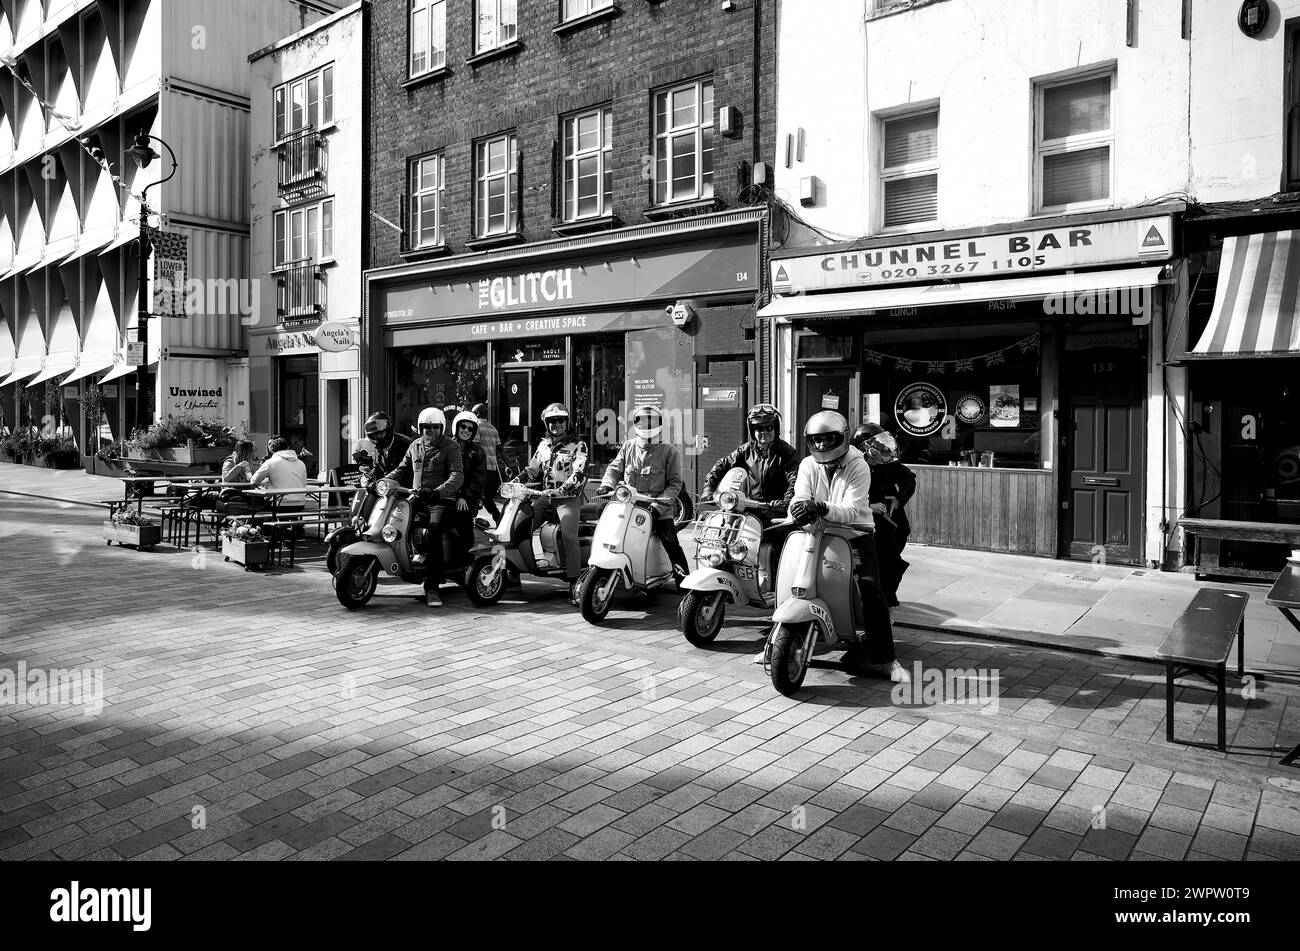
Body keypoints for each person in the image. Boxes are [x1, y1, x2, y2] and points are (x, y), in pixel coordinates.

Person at [758, 411, 907, 683]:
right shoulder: (807, 465)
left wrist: (821, 507)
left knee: (871, 587)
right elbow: (799, 496)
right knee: (788, 578)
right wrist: (799, 507)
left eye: (829, 439)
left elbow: (852, 509)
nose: (823, 446)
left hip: (854, 533)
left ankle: (887, 659)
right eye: (817, 440)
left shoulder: (857, 464)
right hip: (813, 530)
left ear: (842, 437)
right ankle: (775, 640)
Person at [700, 402, 798, 577]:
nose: (763, 432)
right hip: (750, 506)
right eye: (758, 428)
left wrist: (786, 500)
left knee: (780, 545)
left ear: (775, 428)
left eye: (768, 427)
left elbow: (794, 479)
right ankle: (723, 570)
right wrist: (709, 488)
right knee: (727, 533)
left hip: (774, 509)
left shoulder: (786, 452)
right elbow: (721, 466)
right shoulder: (746, 450)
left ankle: (778, 581)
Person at [598, 403, 690, 584]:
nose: (647, 426)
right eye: (642, 422)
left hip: (659, 509)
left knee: (671, 542)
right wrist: (607, 484)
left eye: (651, 422)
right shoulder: (628, 446)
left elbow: (675, 483)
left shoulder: (669, 450)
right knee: (608, 533)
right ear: (635, 423)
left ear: (659, 423)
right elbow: (615, 468)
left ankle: (684, 582)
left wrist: (658, 506)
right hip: (631, 507)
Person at [385, 407, 463, 607]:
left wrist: (437, 492)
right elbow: (401, 469)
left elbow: (457, 476)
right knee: (395, 521)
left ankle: (433, 586)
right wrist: (384, 480)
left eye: (435, 427)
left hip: (440, 500)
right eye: (427, 427)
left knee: (433, 532)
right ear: (421, 428)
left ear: (442, 427)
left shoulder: (451, 447)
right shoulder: (415, 446)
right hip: (417, 497)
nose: (431, 431)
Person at [520, 403, 589, 599]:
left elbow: (579, 473)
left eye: (560, 420)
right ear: (546, 424)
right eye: (552, 421)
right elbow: (532, 470)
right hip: (545, 497)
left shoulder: (578, 445)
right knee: (521, 526)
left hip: (567, 499)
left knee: (569, 537)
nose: (556, 424)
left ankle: (575, 582)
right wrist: (515, 481)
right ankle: (513, 572)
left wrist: (561, 489)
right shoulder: (543, 446)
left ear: (567, 422)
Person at [852, 422, 917, 607]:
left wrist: (899, 500)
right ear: (865, 447)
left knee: (891, 565)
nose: (881, 451)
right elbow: (846, 494)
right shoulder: (855, 467)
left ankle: (885, 599)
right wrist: (869, 506)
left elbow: (909, 478)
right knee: (884, 564)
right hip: (869, 524)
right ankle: (882, 602)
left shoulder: (889, 465)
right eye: (876, 446)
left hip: (894, 524)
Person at [451, 410, 486, 565]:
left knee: (464, 523)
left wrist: (463, 496)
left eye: (470, 428)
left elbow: (477, 480)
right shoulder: (447, 446)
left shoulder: (477, 452)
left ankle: (465, 563)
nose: (466, 430)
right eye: (463, 427)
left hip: (466, 498)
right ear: (456, 427)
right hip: (445, 494)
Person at [250, 435, 308, 513]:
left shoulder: (270, 462)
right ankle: (295, 523)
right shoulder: (301, 463)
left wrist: (264, 484)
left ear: (272, 450)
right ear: (287, 448)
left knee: (258, 505)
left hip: (279, 504)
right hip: (300, 503)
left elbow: (253, 481)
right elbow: (304, 484)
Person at [353, 411, 411, 481]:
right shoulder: (379, 448)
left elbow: (402, 470)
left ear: (388, 430)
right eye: (373, 435)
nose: (377, 437)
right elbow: (378, 468)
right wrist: (368, 476)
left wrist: (383, 480)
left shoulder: (406, 444)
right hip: (386, 487)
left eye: (380, 433)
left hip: (405, 487)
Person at [472, 402, 504, 522]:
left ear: (478, 413)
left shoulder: (477, 425)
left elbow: (474, 446)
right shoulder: (492, 428)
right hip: (491, 467)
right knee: (480, 494)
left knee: (483, 495)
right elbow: (500, 448)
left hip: (481, 467)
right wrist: (508, 465)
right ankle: (472, 518)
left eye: (473, 412)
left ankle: (498, 517)